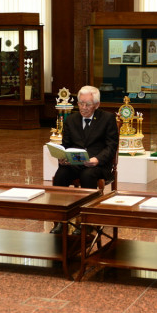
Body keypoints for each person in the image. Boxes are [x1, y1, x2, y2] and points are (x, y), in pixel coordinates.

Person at [50, 85, 119, 234]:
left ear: (97, 105)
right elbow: (66, 145)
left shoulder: (107, 119)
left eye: (88, 104)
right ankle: (60, 220)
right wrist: (62, 157)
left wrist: (97, 159)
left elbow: (111, 146)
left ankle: (87, 221)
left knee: (87, 175)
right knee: (60, 174)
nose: (83, 107)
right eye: (81, 103)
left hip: (97, 164)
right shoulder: (71, 120)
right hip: (75, 163)